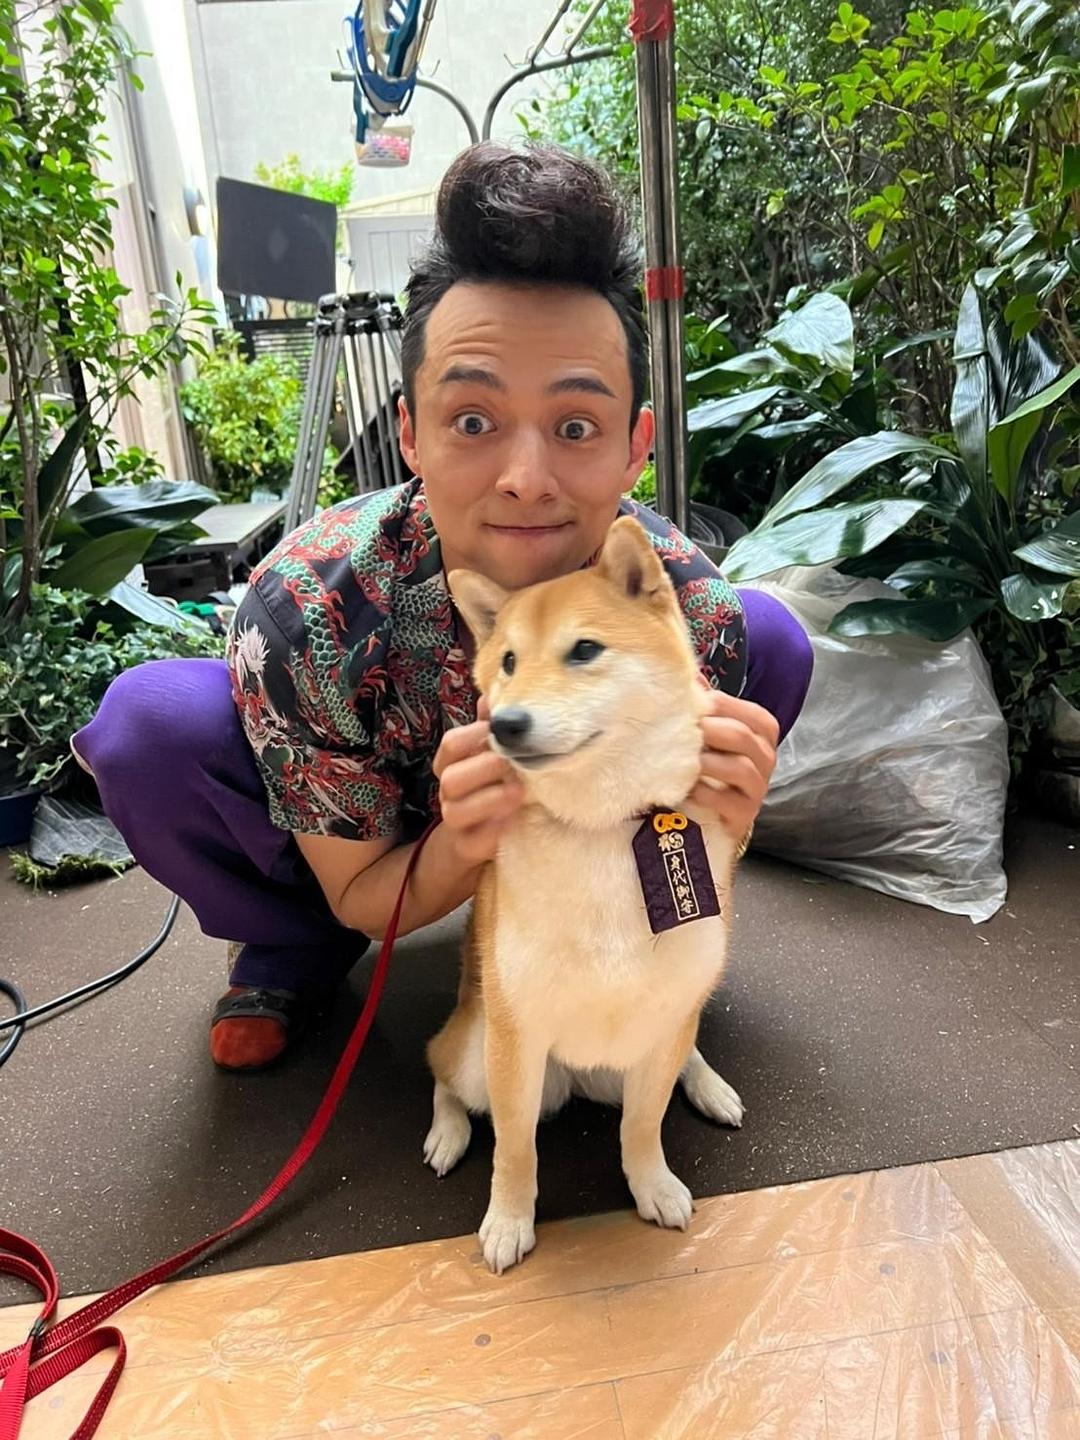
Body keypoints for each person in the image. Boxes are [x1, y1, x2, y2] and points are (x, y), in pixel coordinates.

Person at [73, 143, 813, 1072]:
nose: (526, 479)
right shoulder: (306, 608)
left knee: (771, 637)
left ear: (635, 448)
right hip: (359, 850)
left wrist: (716, 830)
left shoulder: (685, 614)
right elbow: (364, 892)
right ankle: (290, 942)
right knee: (150, 729)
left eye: (575, 426)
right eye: (473, 421)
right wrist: (461, 843)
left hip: (585, 851)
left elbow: (681, 830)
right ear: (411, 434)